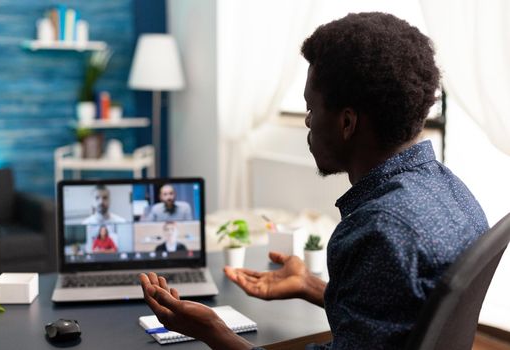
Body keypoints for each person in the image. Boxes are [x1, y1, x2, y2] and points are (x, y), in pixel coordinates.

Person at [139, 12, 489, 349]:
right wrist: (310, 285)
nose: (308, 122)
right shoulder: (455, 192)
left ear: (347, 123)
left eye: (311, 108)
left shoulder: (380, 230)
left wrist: (212, 330)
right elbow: (402, 318)